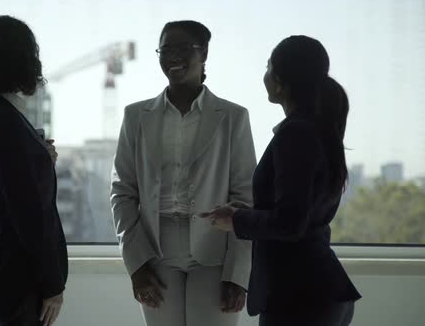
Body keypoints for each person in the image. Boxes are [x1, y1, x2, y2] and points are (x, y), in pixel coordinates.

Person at [201, 35, 362, 326]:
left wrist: (236, 220)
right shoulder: (318, 128)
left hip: (298, 296)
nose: (264, 75)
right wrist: (247, 211)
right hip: (317, 290)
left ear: (280, 80)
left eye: (268, 66)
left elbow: (290, 223)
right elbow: (301, 210)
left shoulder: (296, 133)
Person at [111, 20, 257, 326]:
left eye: (182, 48)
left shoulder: (233, 117)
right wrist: (136, 264)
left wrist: (238, 274)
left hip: (216, 250)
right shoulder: (135, 116)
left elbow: (245, 198)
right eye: (166, 49)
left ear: (203, 53)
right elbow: (123, 193)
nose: (172, 56)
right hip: (155, 250)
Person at [0, 14, 68, 326]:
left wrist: (38, 161)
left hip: (1, 272)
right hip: (22, 277)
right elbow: (30, 215)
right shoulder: (6, 122)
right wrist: (52, 284)